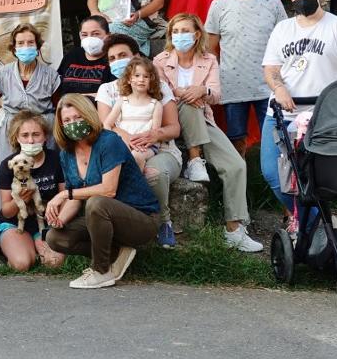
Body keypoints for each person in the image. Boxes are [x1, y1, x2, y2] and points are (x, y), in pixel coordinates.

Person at [261, 0, 337, 230]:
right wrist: (280, 89)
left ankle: (309, 229)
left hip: (323, 115)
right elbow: (271, 69)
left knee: (315, 177)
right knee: (273, 173)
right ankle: (313, 221)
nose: (303, 0)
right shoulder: (283, 29)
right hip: (282, 112)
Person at [153, 13, 263, 253]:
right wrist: (190, 93)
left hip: (201, 120)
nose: (180, 35)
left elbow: (216, 95)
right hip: (170, 120)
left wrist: (201, 89)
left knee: (236, 165)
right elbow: (162, 94)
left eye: (185, 30)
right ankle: (194, 160)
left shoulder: (209, 60)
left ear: (197, 34)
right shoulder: (160, 60)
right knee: (190, 103)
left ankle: (234, 229)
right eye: (176, 31)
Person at [44, 94, 160, 289]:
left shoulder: (108, 141)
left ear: (89, 116)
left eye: (78, 117)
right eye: (67, 120)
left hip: (140, 220)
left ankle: (101, 270)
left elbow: (108, 190)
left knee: (96, 202)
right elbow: (76, 196)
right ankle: (117, 253)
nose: (73, 123)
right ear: (61, 125)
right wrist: (60, 219)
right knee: (55, 237)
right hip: (105, 220)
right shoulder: (67, 154)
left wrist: (63, 194)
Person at [95, 34, 183, 249]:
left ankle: (163, 221)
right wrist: (130, 139)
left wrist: (154, 135)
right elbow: (107, 125)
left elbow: (174, 128)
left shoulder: (158, 89)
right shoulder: (108, 90)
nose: (117, 61)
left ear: (136, 56)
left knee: (154, 174)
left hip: (157, 149)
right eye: (112, 58)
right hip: (123, 147)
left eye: (123, 55)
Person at [205, 0, 288, 155]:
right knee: (236, 140)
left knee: (276, 138)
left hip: (269, 85)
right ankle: (241, 183)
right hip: (232, 84)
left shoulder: (272, 2)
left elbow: (285, 42)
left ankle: (277, 181)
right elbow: (210, 47)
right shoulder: (219, 5)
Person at [0, 110, 66, 272]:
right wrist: (20, 199)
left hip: (45, 222)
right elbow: (6, 211)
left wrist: (57, 222)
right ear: (17, 139)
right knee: (22, 264)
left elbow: (65, 196)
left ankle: (37, 246)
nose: (31, 140)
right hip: (15, 222)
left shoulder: (56, 160)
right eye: (25, 135)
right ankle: (21, 251)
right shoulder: (9, 166)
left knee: (54, 262)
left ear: (45, 137)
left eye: (36, 134)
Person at [0, 23, 60, 154]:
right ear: (14, 48)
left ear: (37, 47)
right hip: (13, 130)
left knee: (45, 168)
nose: (26, 47)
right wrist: (6, 116)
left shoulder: (50, 76)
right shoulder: (3, 74)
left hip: (44, 131)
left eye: (31, 42)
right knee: (12, 167)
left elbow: (59, 107)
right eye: (20, 43)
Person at [101, 56, 164, 165]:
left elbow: (154, 132)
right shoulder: (122, 101)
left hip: (145, 146)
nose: (141, 79)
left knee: (136, 156)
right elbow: (107, 124)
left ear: (151, 80)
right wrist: (116, 140)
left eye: (146, 76)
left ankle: (136, 181)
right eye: (137, 75)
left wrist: (140, 144)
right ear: (129, 79)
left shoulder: (156, 105)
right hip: (124, 142)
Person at [56, 15, 112, 97]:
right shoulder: (72, 55)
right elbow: (58, 86)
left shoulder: (113, 58)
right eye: (84, 35)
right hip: (67, 107)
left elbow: (114, 93)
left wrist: (80, 99)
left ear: (108, 36)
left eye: (95, 34)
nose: (89, 38)